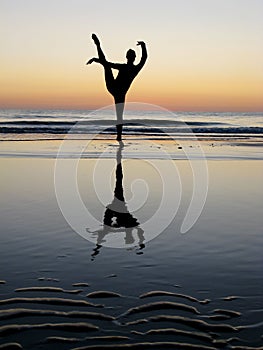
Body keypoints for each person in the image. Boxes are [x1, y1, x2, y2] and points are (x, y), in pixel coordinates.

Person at [86, 34, 147, 141]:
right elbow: (108, 64)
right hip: (113, 87)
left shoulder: (133, 68)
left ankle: (119, 136)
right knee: (106, 66)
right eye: (130, 55)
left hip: (118, 92)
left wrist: (143, 46)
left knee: (119, 115)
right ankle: (98, 45)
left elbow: (144, 58)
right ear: (129, 57)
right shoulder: (129, 68)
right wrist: (143, 45)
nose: (130, 57)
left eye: (131, 55)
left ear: (130, 57)